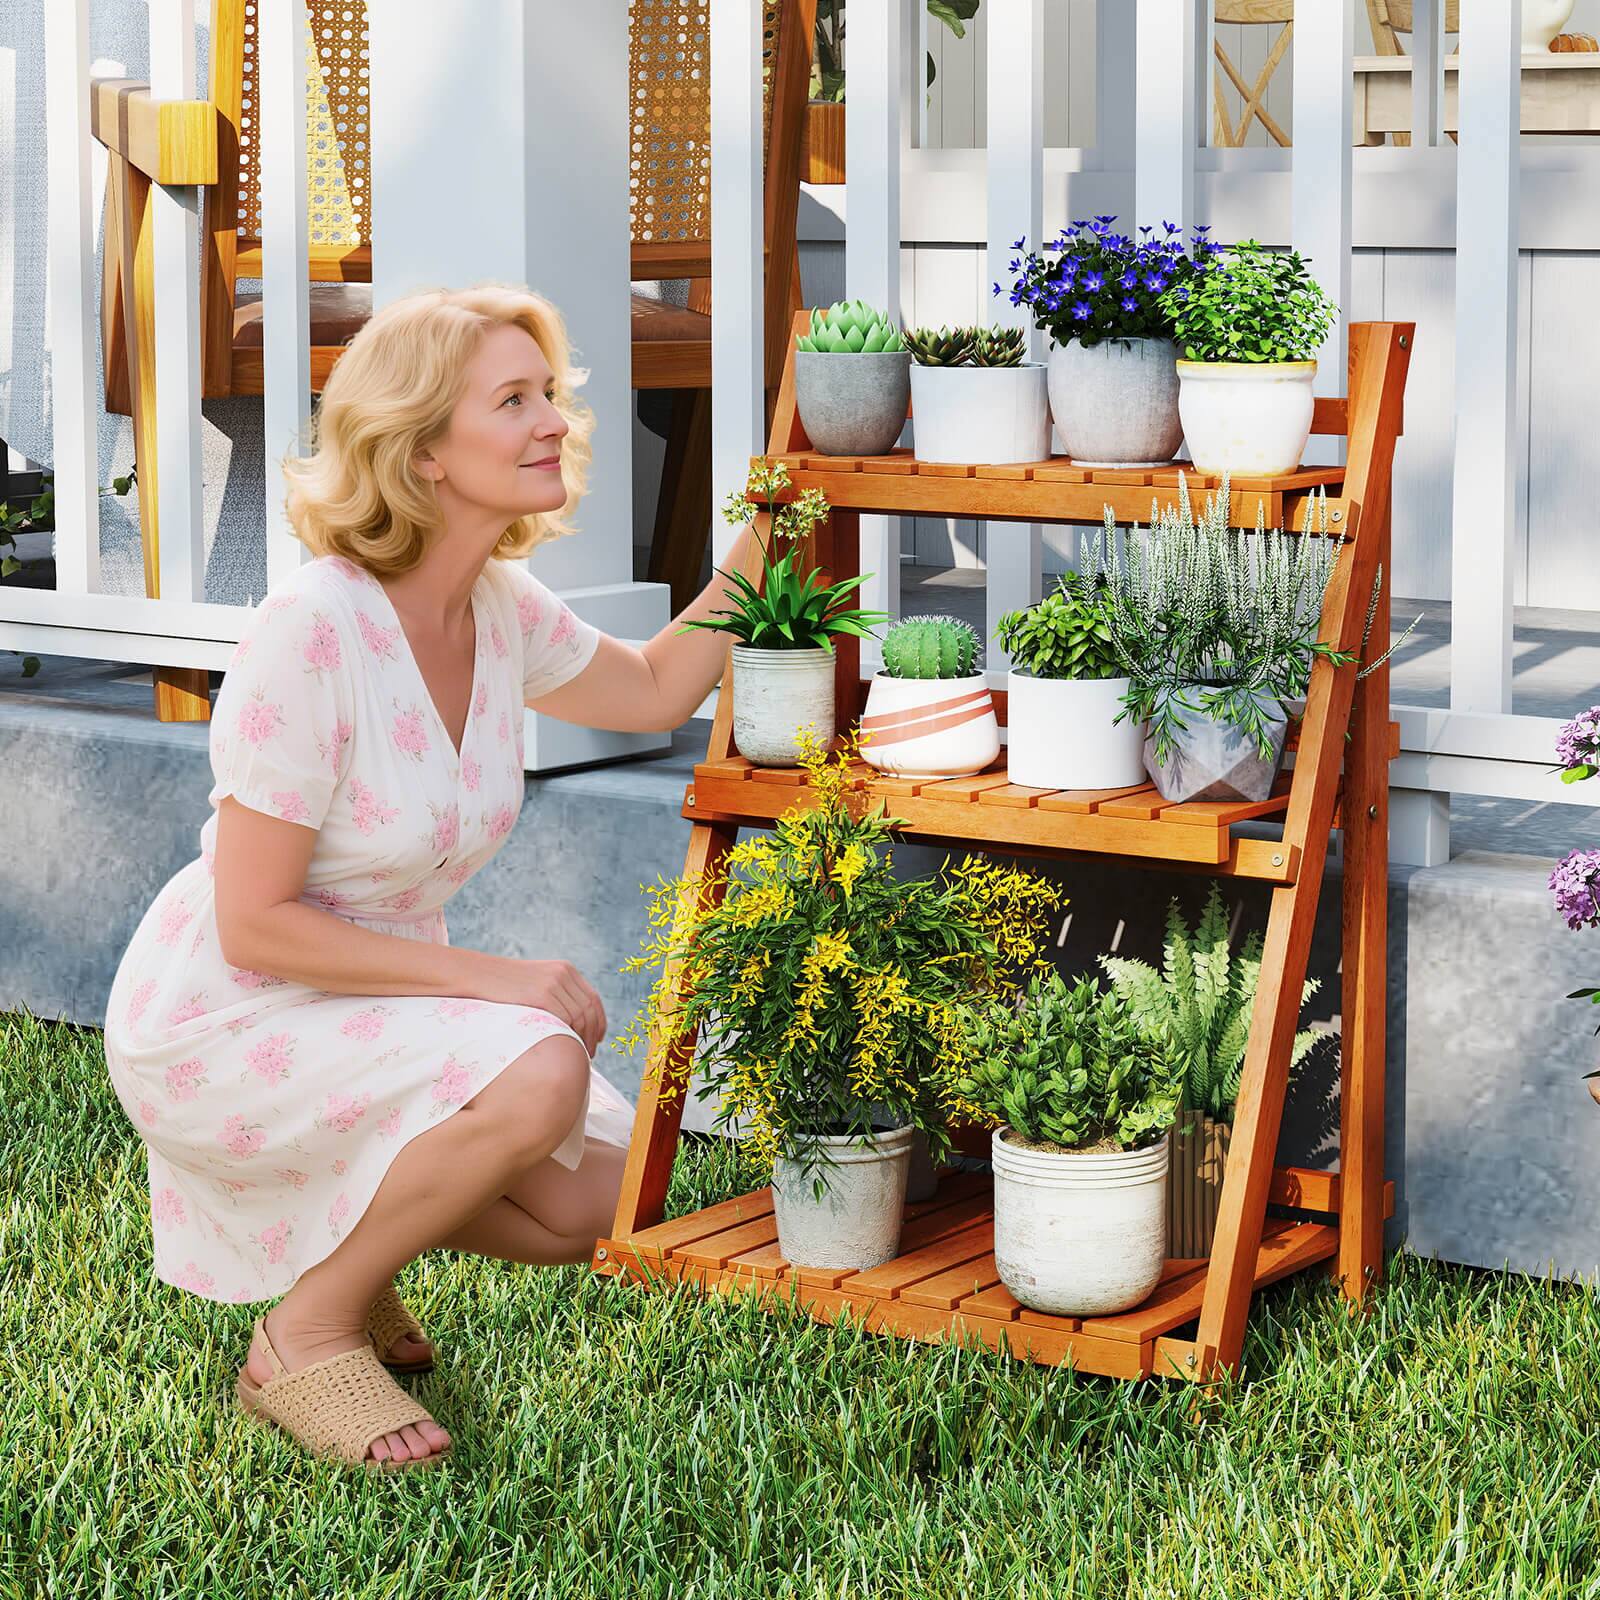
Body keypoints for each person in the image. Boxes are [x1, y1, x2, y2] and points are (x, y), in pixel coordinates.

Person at [103, 282, 762, 1471]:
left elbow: (656, 688)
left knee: (597, 1207)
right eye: (512, 401)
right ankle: (306, 1332)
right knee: (540, 1071)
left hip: (363, 999)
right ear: (421, 451)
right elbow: (255, 926)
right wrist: (504, 980)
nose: (554, 420)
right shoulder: (311, 628)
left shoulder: (496, 606)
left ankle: (346, 1252)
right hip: (228, 1011)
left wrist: (777, 519)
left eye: (547, 393)